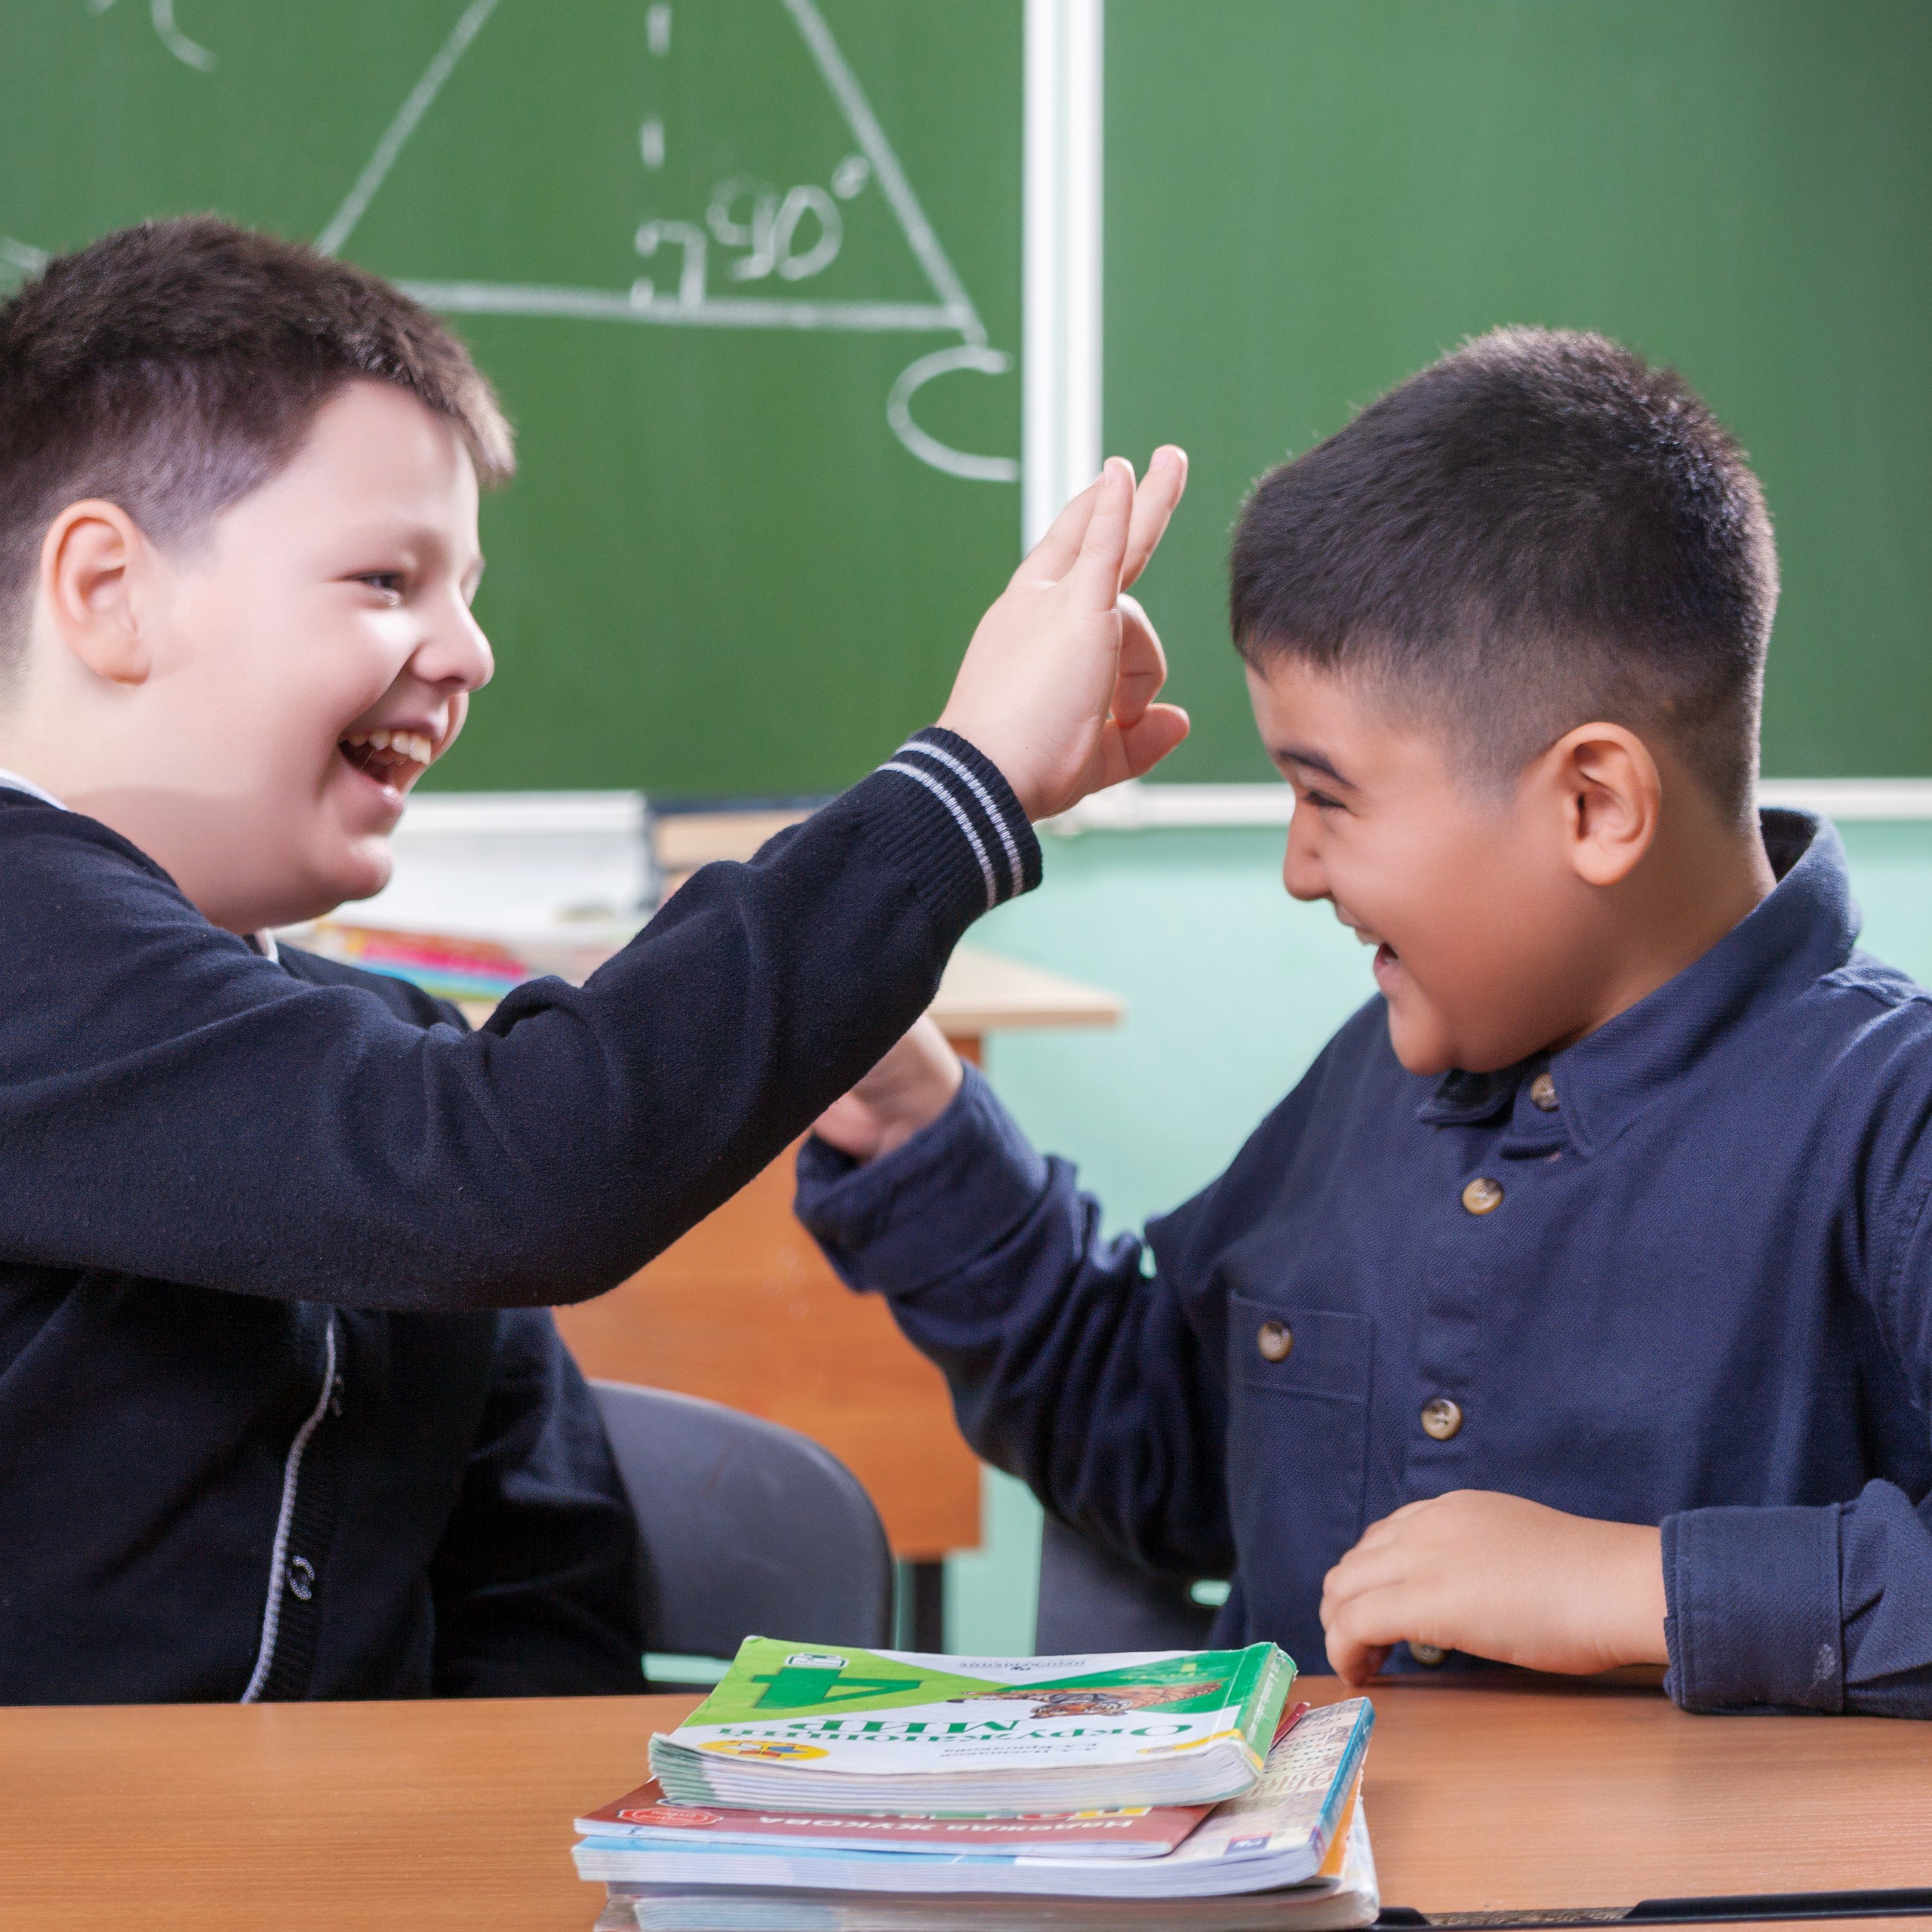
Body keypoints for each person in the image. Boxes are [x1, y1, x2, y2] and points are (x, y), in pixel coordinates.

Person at [0, 217, 1189, 1703]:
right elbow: (512, 1167)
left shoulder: (382, 1042)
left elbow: (534, 1566)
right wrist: (970, 781)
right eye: (385, 579)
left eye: (469, 589)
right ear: (107, 591)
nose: (469, 651)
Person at [799, 326, 1932, 1718]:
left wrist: (1639, 1587)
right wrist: (921, 1132)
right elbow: (1163, 1452)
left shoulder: (1891, 1119)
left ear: (1595, 806)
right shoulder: (1385, 1076)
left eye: (1327, 797)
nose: (1299, 867)